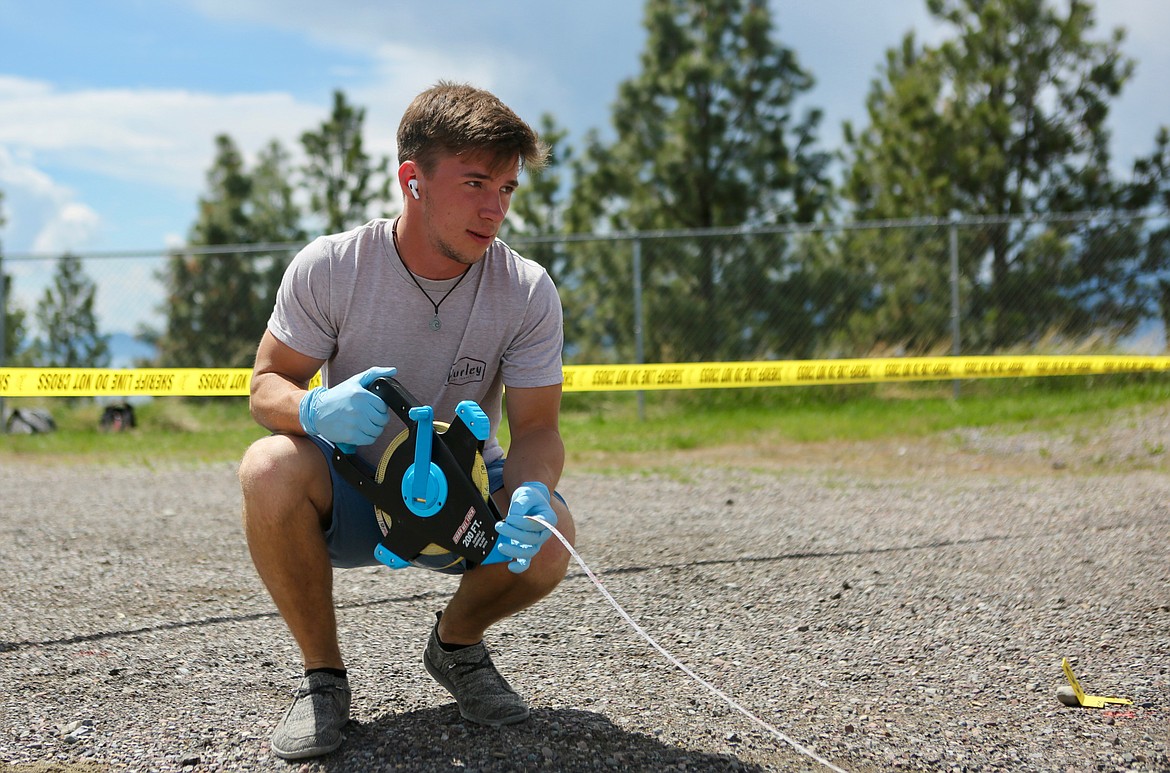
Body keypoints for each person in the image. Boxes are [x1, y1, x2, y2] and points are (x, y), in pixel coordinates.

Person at [236, 81, 575, 761]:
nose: (495, 208)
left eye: (507, 189)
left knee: (553, 533)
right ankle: (323, 679)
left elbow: (537, 427)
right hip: (355, 488)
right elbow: (264, 383)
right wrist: (309, 407)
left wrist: (532, 491)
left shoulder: (527, 288)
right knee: (266, 467)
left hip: (466, 496)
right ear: (412, 180)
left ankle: (456, 645)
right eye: (476, 182)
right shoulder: (331, 267)